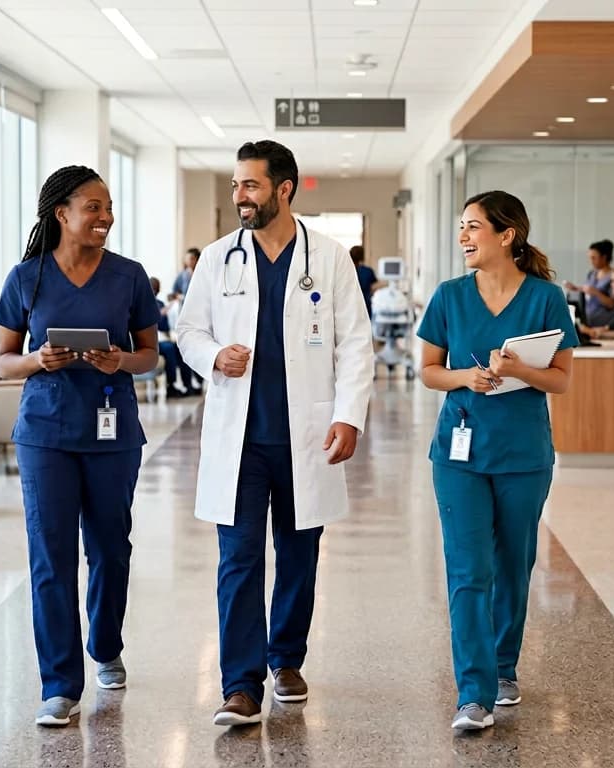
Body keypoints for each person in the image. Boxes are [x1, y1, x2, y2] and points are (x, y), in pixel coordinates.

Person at [176, 140, 373, 727]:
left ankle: (286, 658)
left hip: (304, 435)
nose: (239, 196)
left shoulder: (329, 257)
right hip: (239, 438)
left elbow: (356, 344)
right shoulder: (218, 259)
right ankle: (240, 683)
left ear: (284, 189)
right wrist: (214, 356)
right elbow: (188, 332)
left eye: (250, 186)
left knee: (298, 554)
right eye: (236, 185)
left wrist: (349, 414)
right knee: (237, 560)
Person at [0, 165, 161, 728]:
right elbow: (1, 360)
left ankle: (105, 644)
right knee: (51, 557)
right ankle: (59, 684)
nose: (105, 216)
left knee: (111, 549)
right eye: (94, 206)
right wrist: (40, 359)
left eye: (109, 207)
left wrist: (119, 361)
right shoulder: (26, 278)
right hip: (46, 433)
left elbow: (149, 355)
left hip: (112, 433)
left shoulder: (129, 277)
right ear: (61, 213)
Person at [416, 190, 578, 731]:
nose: (463, 237)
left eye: (473, 227)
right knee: (468, 571)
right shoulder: (449, 296)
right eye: (461, 228)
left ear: (507, 235)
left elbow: (560, 379)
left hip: (523, 455)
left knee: (512, 565)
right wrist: (468, 377)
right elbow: (429, 370)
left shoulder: (546, 299)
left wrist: (517, 370)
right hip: (458, 454)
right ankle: (474, 694)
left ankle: (503, 666)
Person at [562, 239, 614, 327]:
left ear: (604, 257)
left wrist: (597, 293)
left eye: (594, 258)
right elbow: (588, 291)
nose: (591, 261)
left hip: (605, 324)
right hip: (589, 322)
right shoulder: (592, 274)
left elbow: (612, 304)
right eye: (590, 258)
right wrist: (576, 288)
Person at [150, 277, 190, 397]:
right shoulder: (142, 304)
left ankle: (188, 385)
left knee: (180, 349)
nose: (155, 291)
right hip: (151, 341)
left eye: (156, 288)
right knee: (169, 349)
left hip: (162, 338)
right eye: (154, 288)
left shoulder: (160, 304)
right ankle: (171, 385)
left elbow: (165, 327)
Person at [351, 244, 379, 318]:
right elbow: (374, 287)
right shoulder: (368, 271)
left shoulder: (346, 271)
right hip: (366, 305)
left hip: (351, 305)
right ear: (363, 256)